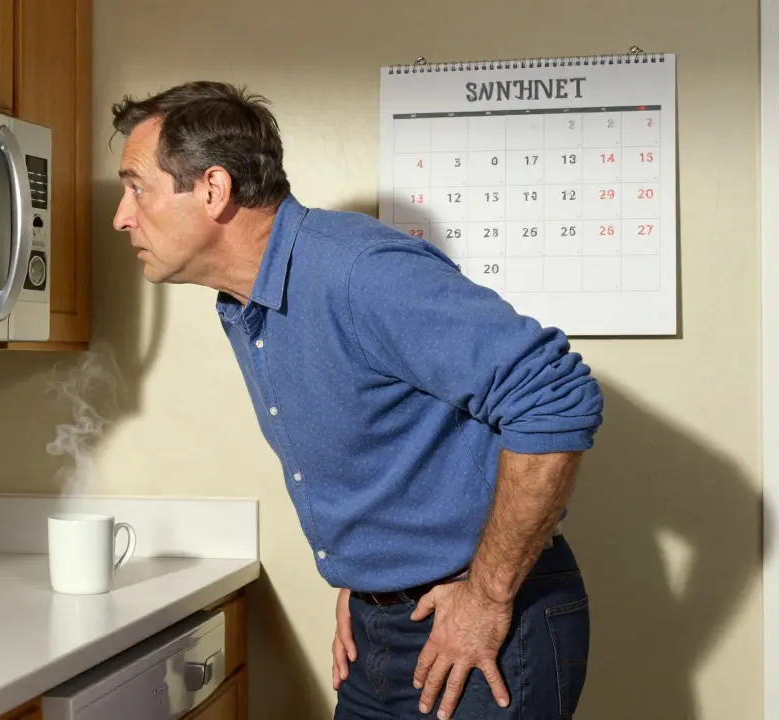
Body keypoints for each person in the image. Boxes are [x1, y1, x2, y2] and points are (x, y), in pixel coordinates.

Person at [109, 81, 603, 720]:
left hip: (484, 628)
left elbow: (555, 396)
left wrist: (484, 597)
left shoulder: (356, 271)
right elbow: (387, 438)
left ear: (212, 188)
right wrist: (369, 577)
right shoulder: (244, 302)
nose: (123, 215)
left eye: (137, 187)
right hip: (382, 627)